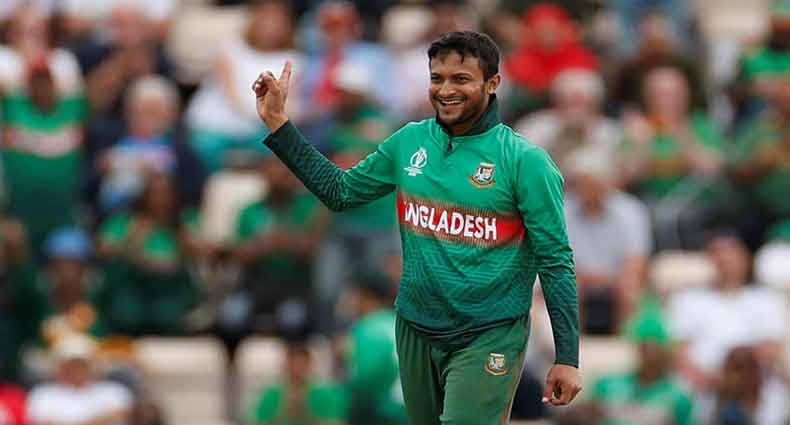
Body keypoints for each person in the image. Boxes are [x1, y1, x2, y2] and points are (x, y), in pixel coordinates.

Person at [253, 31, 581, 424]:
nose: (445, 90)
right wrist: (279, 124)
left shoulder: (526, 161)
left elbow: (556, 261)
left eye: (461, 79)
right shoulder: (410, 141)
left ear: (493, 83)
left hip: (489, 332)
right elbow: (340, 192)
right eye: (437, 78)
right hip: (416, 328)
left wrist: (567, 357)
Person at [590, 311, 694, 425]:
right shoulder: (607, 385)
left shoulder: (679, 398)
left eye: (655, 347)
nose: (650, 354)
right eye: (645, 346)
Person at [26, 334, 133, 425]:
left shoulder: (114, 391)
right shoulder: (43, 394)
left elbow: (121, 413)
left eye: (81, 364)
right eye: (71, 364)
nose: (76, 369)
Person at [345, 270, 406, 425]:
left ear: (364, 296)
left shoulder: (368, 328)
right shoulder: (400, 324)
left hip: (387, 415)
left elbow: (365, 380)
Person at [248, 340, 347, 425]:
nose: (297, 368)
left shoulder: (324, 395)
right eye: (293, 363)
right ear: (285, 365)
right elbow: (258, 421)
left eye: (301, 363)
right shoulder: (271, 395)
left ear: (310, 365)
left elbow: (334, 421)